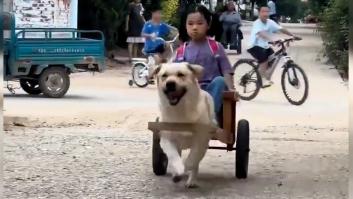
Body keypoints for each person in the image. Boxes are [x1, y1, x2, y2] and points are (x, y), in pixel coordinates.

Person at [174, 5, 235, 126]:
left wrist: (231, 89)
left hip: (211, 93)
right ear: (185, 26)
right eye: (190, 24)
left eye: (199, 23)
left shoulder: (216, 47)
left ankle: (208, 116)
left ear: (208, 23)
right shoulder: (182, 51)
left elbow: (227, 71)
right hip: (190, 93)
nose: (195, 27)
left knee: (220, 81)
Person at [247, 6, 301, 86]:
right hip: (254, 46)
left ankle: (263, 75)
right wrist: (272, 40)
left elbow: (281, 29)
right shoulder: (257, 23)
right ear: (259, 13)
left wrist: (292, 35)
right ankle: (261, 80)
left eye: (267, 12)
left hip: (265, 46)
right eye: (263, 12)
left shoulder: (270, 22)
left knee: (273, 58)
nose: (265, 14)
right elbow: (261, 34)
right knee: (264, 60)